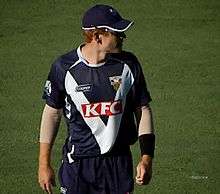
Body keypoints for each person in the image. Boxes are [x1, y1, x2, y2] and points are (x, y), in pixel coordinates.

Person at [38, 4, 155, 194]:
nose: (122, 37)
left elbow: (142, 109)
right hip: (78, 166)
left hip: (118, 164)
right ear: (97, 36)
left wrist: (146, 158)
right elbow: (52, 114)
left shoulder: (129, 65)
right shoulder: (64, 67)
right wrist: (44, 163)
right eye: (117, 33)